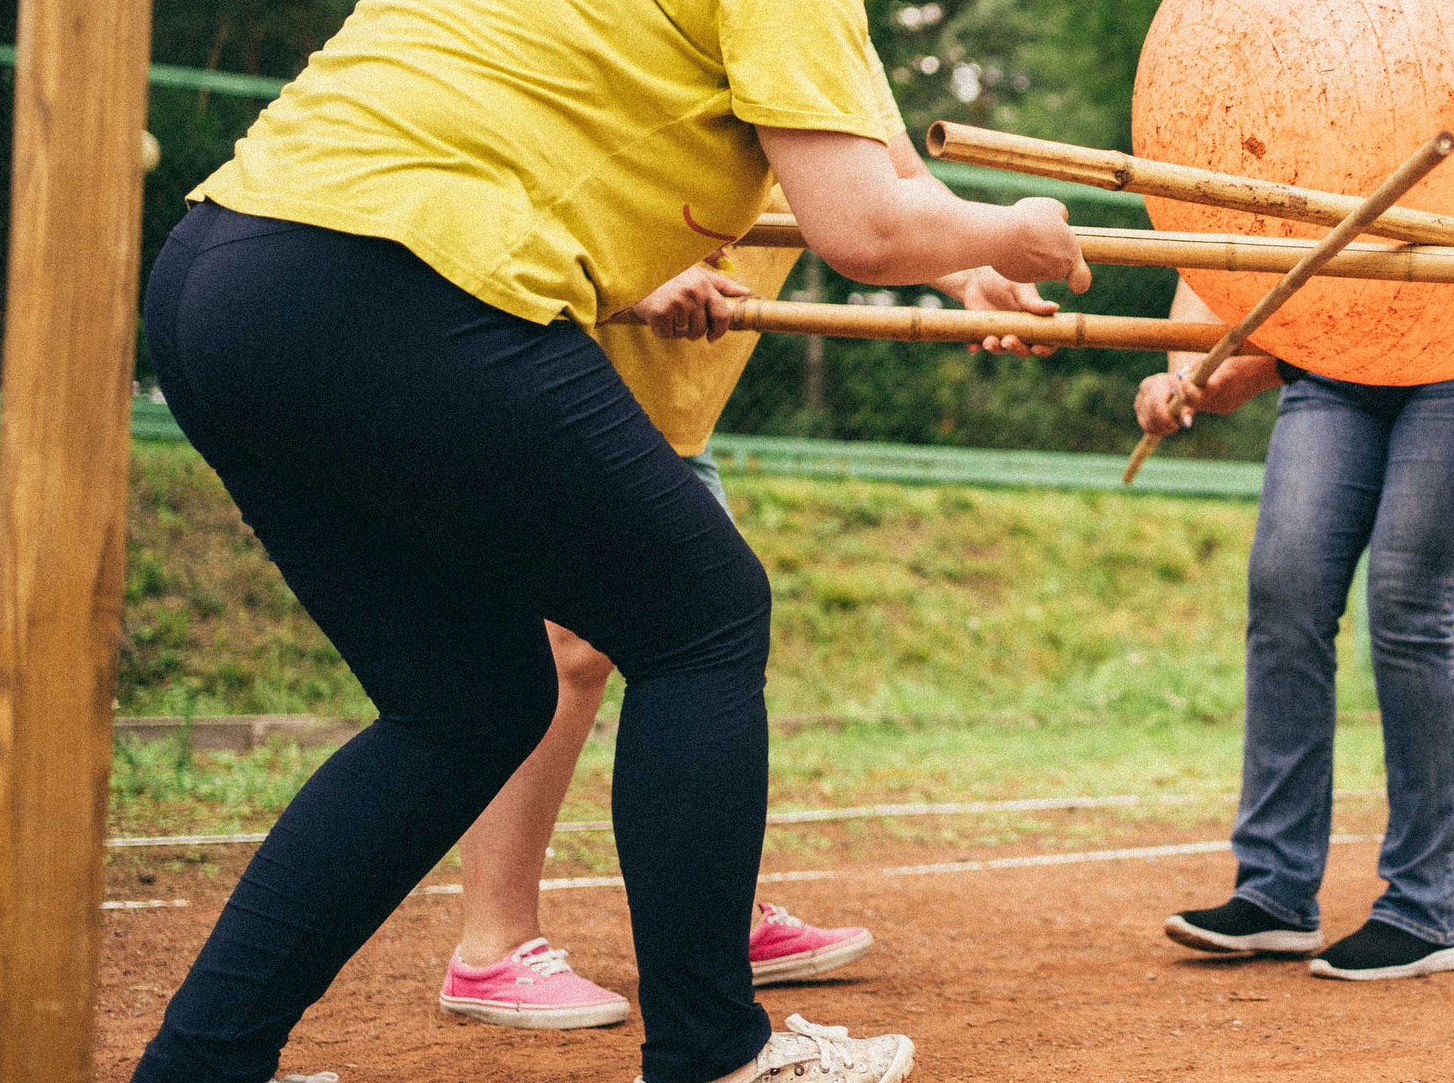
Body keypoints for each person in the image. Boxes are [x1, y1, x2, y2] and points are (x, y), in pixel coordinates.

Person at [97, 0, 1090, 1083]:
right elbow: (860, 221)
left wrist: (961, 252)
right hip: (402, 283)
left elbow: (851, 166)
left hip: (228, 281)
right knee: (702, 609)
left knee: (464, 694)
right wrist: (1010, 234)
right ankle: (711, 1057)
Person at [435, 205, 1044, 1028]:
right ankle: (491, 947)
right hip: (572, 378)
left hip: (676, 411)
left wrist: (968, 272)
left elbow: (876, 187)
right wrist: (630, 262)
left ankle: (711, 917)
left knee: (711, 644)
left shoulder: (836, 78)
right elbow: (537, 171)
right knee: (571, 649)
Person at [1139, 279, 1454, 980]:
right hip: (1340, 360)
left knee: (1406, 604)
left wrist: (1262, 362)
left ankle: (1420, 910)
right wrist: (1189, 367)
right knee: (1286, 591)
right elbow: (1207, 241)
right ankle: (1274, 889)